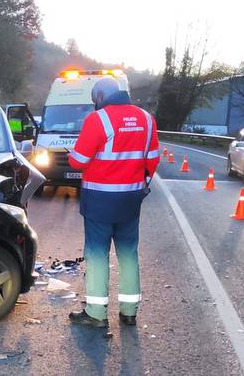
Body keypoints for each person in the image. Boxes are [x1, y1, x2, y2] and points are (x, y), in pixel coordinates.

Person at [67, 76, 160, 329]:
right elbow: (152, 160)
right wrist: (139, 182)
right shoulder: (146, 119)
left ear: (99, 97)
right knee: (128, 253)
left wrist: (74, 154)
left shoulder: (97, 120)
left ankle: (97, 313)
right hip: (130, 200)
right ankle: (129, 312)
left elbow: (78, 161)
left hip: (99, 201)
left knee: (97, 255)